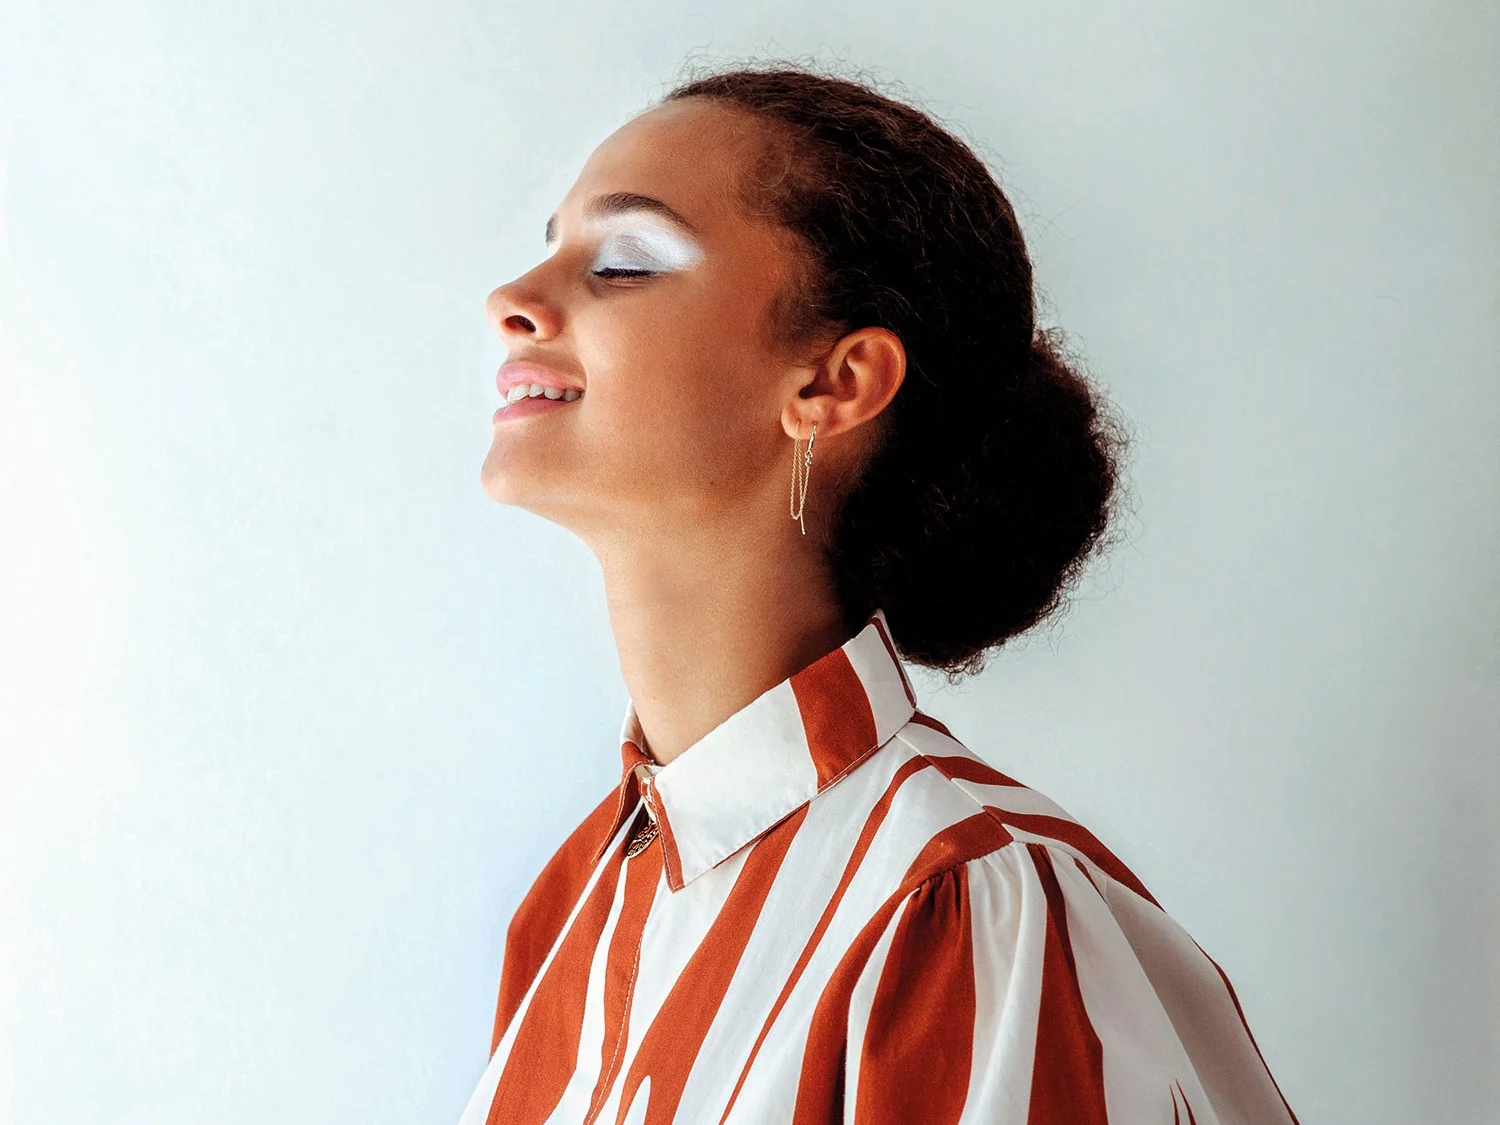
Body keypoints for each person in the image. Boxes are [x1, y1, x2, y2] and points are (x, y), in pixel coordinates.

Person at [461, 64, 1299, 1125]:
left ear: (836, 381)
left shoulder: (960, 899)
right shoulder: (572, 903)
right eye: (549, 247)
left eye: (624, 263)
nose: (512, 301)